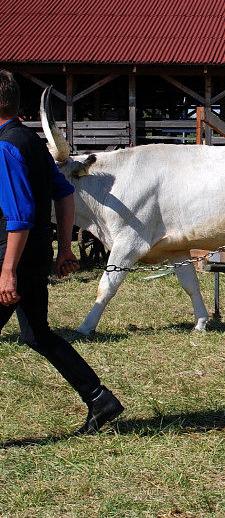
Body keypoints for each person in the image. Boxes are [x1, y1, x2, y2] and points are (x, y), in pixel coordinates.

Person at [0, 70, 123, 435]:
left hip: (12, 257)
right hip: (36, 255)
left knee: (39, 333)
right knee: (38, 334)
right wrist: (65, 248)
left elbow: (19, 216)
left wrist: (7, 272)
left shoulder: (6, 146)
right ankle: (99, 398)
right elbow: (65, 193)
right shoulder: (32, 142)